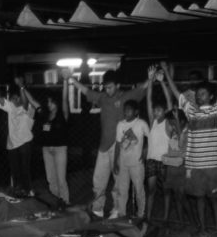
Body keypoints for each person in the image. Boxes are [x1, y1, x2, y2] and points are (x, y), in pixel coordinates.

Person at [69, 70, 148, 218]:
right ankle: (98, 208)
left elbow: (142, 88)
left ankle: (117, 209)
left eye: (110, 87)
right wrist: (72, 79)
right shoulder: (103, 98)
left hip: (118, 145)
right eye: (106, 87)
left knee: (118, 180)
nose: (108, 90)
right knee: (98, 179)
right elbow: (86, 90)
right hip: (104, 145)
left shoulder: (125, 96)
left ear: (117, 85)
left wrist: (151, 79)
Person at [160, 60, 217, 236]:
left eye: (203, 94)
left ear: (212, 96)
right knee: (199, 198)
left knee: (214, 199)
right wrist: (166, 71)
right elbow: (177, 94)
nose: (198, 96)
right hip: (195, 164)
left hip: (212, 165)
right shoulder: (191, 113)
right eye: (197, 94)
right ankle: (203, 228)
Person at [0, 74, 36, 196]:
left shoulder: (28, 108)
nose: (14, 100)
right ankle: (18, 189)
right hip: (12, 144)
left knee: (25, 168)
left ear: (20, 98)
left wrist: (21, 86)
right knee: (15, 170)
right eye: (13, 98)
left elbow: (25, 102)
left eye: (16, 98)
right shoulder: (11, 108)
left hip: (24, 142)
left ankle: (28, 189)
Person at [29, 70, 70, 207]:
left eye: (51, 102)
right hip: (46, 149)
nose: (49, 104)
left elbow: (65, 99)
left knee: (61, 179)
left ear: (57, 103)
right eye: (48, 102)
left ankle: (65, 202)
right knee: (50, 179)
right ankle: (56, 202)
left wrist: (65, 80)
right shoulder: (45, 114)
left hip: (59, 149)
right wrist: (23, 88)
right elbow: (34, 103)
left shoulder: (62, 114)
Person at [113, 100, 150, 219]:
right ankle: (122, 213)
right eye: (125, 109)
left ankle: (141, 214)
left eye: (129, 109)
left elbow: (150, 139)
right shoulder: (120, 124)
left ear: (136, 112)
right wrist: (115, 161)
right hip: (123, 162)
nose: (126, 112)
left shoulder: (141, 123)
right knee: (122, 189)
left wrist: (145, 152)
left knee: (139, 189)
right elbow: (118, 144)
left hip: (137, 163)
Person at [144, 65, 172, 221]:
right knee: (151, 190)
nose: (156, 112)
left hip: (165, 161)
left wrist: (161, 82)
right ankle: (148, 217)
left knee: (167, 191)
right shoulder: (152, 122)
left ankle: (166, 218)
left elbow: (169, 100)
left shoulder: (168, 122)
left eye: (159, 110)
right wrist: (150, 81)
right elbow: (149, 99)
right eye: (155, 110)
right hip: (152, 160)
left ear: (164, 112)